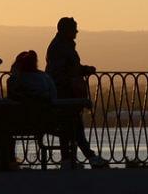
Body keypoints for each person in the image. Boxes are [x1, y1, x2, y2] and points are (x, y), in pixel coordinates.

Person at [45, 17, 109, 169]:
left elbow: (69, 67)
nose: (77, 31)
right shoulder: (61, 47)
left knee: (71, 126)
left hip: (66, 93)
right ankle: (87, 157)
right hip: (66, 94)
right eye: (74, 28)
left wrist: (84, 69)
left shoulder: (61, 46)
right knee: (74, 125)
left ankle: (71, 159)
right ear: (66, 30)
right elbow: (62, 71)